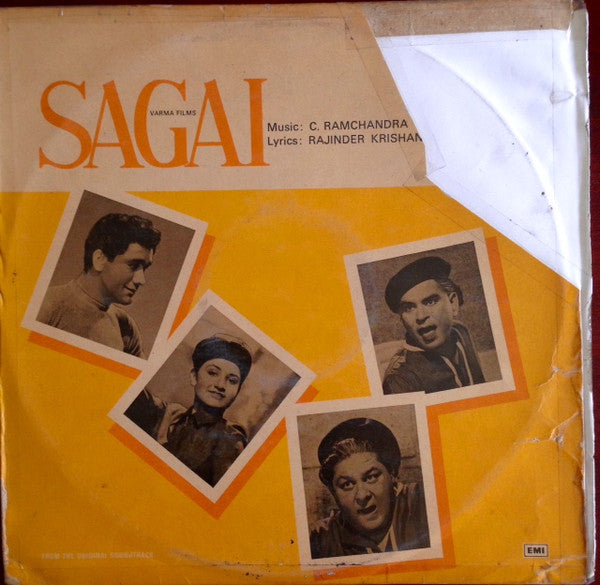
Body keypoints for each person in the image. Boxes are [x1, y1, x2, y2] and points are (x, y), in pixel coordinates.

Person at [124, 335, 253, 487]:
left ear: (237, 391)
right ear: (194, 377)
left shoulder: (231, 440)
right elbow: (131, 392)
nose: (220, 385)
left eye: (232, 381)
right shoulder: (170, 415)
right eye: (212, 373)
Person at [37, 213, 161, 357]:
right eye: (133, 265)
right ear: (99, 259)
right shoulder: (46, 305)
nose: (141, 280)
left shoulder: (125, 326)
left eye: (144, 268)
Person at [310, 417, 429, 559]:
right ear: (333, 492)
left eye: (371, 477)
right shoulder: (324, 540)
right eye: (347, 484)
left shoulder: (423, 503)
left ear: (392, 473)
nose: (362, 495)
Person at [382, 256, 485, 394]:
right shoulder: (400, 381)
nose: (420, 316)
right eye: (409, 308)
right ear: (401, 318)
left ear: (453, 303)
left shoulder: (460, 332)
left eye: (430, 302)